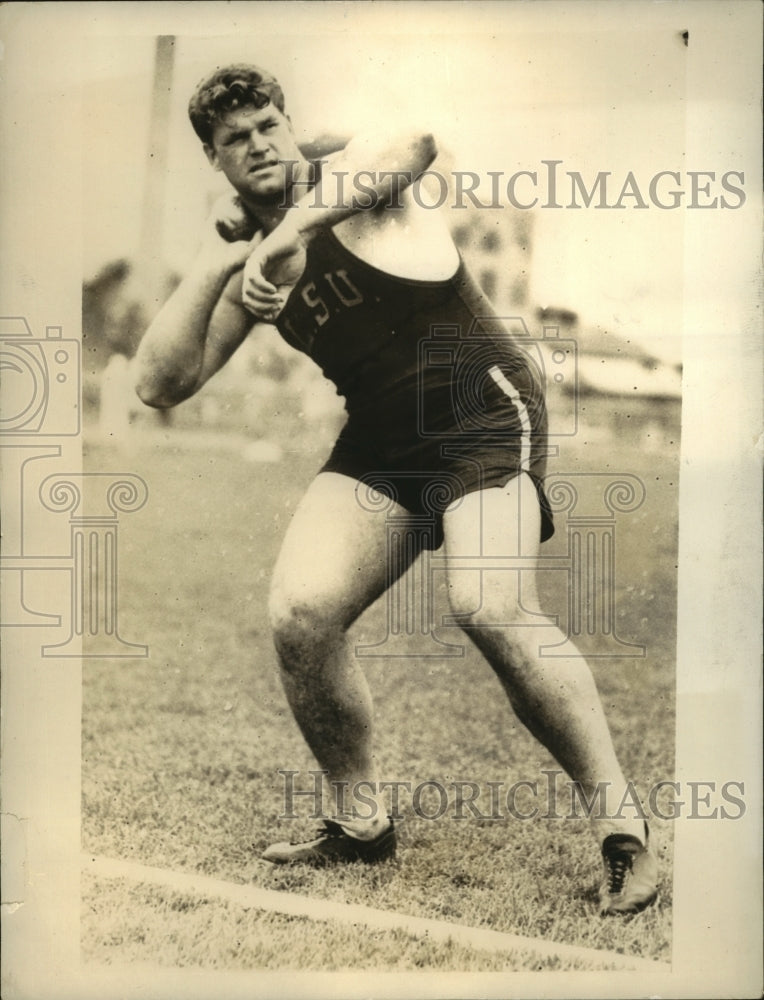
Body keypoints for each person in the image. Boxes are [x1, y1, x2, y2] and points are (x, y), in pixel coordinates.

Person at [134, 63, 658, 916]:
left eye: (268, 124)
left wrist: (291, 227)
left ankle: (624, 831)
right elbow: (163, 382)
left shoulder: (349, 184)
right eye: (236, 140)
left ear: (288, 124)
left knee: (489, 604)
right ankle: (360, 824)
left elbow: (413, 141)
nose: (259, 144)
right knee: (301, 612)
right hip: (384, 443)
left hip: (480, 408)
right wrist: (215, 255)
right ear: (215, 160)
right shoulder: (252, 258)